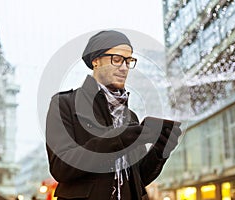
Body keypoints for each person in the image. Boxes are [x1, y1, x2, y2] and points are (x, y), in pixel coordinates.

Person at [45, 30, 182, 200]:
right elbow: (61, 167)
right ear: (96, 61)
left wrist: (161, 148)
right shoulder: (64, 104)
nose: (124, 67)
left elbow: (138, 179)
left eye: (129, 61)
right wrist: (118, 138)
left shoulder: (130, 117)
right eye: (117, 59)